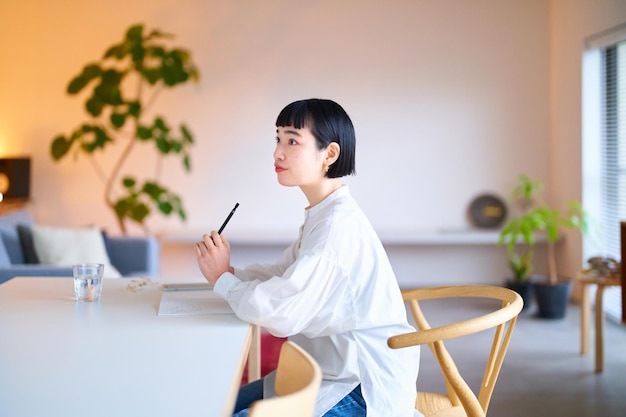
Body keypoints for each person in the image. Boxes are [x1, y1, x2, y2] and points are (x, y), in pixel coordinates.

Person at [196, 98, 420, 416]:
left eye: (292, 141)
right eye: (278, 139)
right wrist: (230, 272)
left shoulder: (336, 227)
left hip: (359, 385)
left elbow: (283, 311)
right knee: (209, 406)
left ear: (329, 154)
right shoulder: (324, 212)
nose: (277, 152)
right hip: (322, 370)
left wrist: (223, 280)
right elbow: (284, 273)